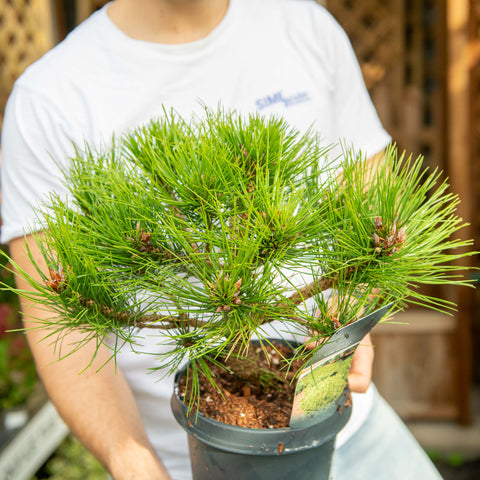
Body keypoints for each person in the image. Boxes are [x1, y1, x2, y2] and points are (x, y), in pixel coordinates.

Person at [0, 0, 443, 479]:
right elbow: (58, 318)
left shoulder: (305, 25)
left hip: (346, 421)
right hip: (188, 459)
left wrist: (354, 318)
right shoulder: (48, 97)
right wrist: (134, 464)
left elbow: (374, 200)